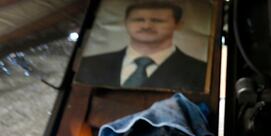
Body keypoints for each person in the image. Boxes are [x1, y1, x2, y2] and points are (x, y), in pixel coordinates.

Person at [76, 1, 207, 91]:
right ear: (125, 22)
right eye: (138, 20)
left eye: (157, 20)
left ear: (178, 24)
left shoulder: (201, 71)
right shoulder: (90, 64)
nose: (146, 26)